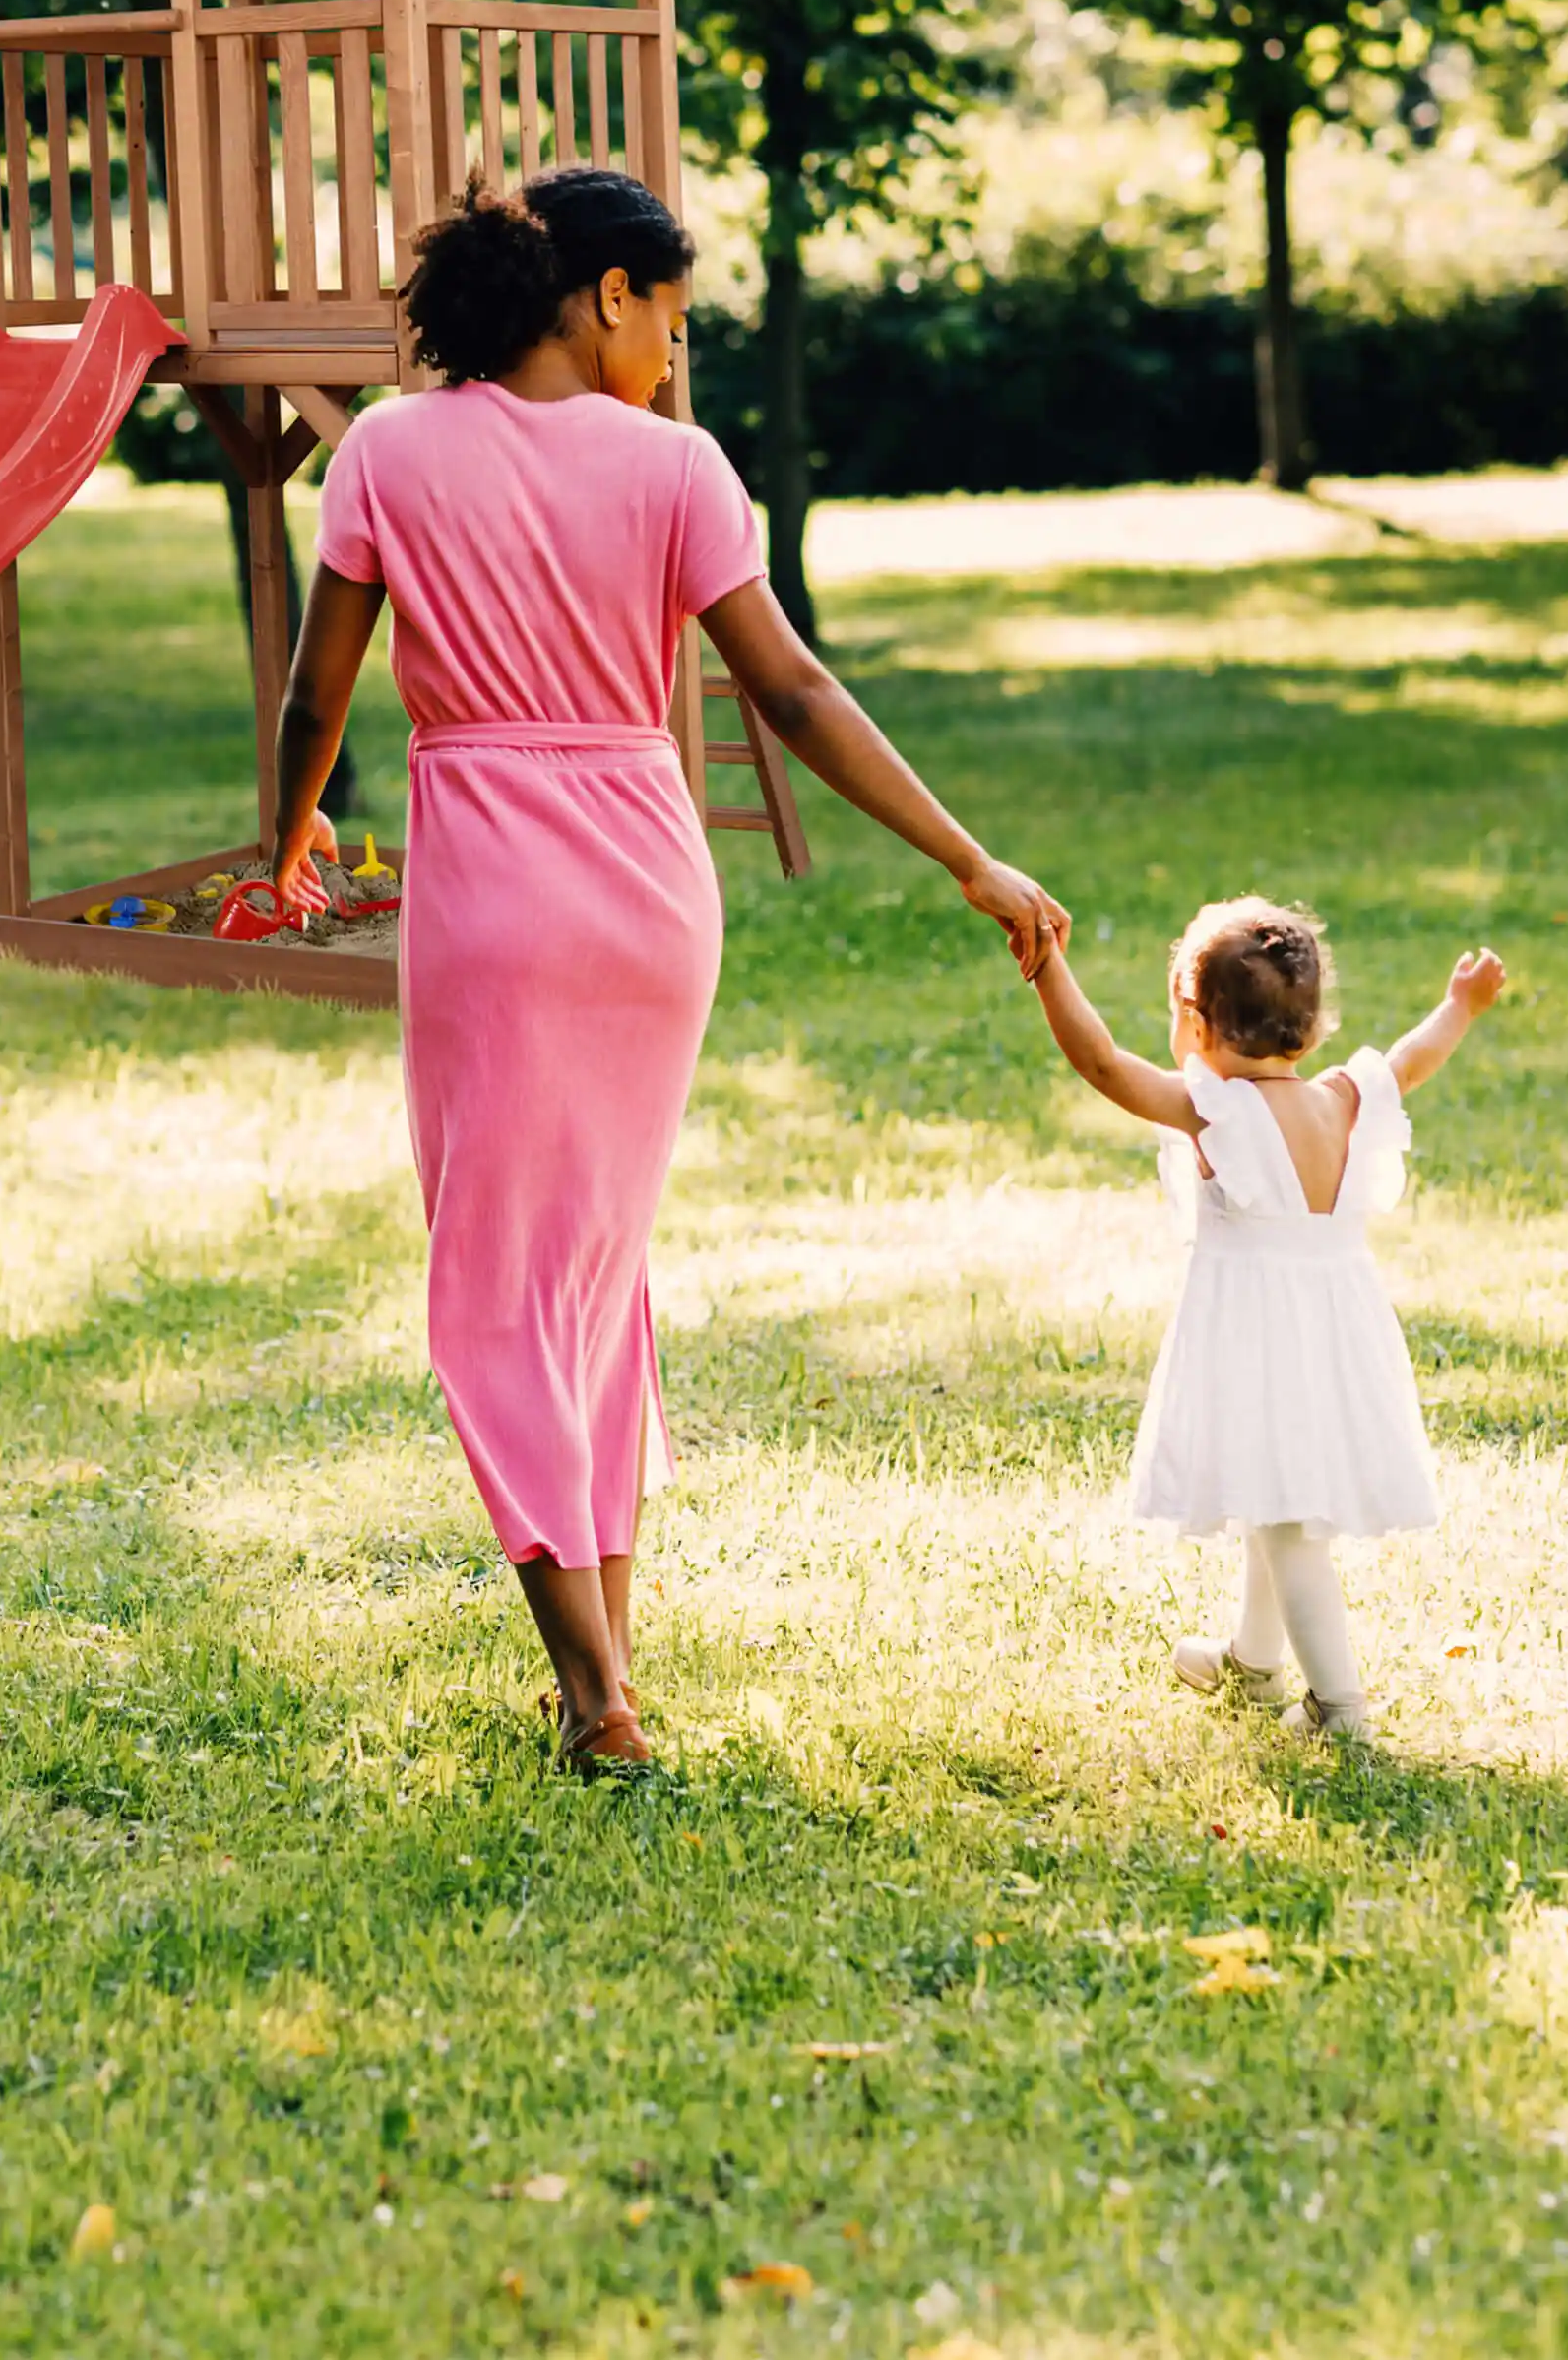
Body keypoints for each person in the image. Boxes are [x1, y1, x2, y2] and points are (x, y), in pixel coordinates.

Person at [267, 168, 1068, 1774]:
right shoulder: (681, 471)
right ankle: (607, 1668)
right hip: (648, 895)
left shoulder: (387, 452)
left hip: (491, 895)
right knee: (591, 1275)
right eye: (673, 321)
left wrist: (282, 842)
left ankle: (591, 1693)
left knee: (499, 1286)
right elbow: (793, 694)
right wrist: (966, 855)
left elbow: (317, 697)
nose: (676, 359)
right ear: (603, 295)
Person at [1027, 896, 1508, 1738]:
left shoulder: (1217, 1112)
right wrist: (1459, 1006)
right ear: (1313, 1028)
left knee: (1287, 1524)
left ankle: (1340, 1708)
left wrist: (1047, 967)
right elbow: (1412, 1057)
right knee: (1269, 1491)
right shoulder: (1346, 1097)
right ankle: (1253, 1662)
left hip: (1259, 1340)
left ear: (1196, 1023)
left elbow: (1102, 1063)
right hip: (1336, 1334)